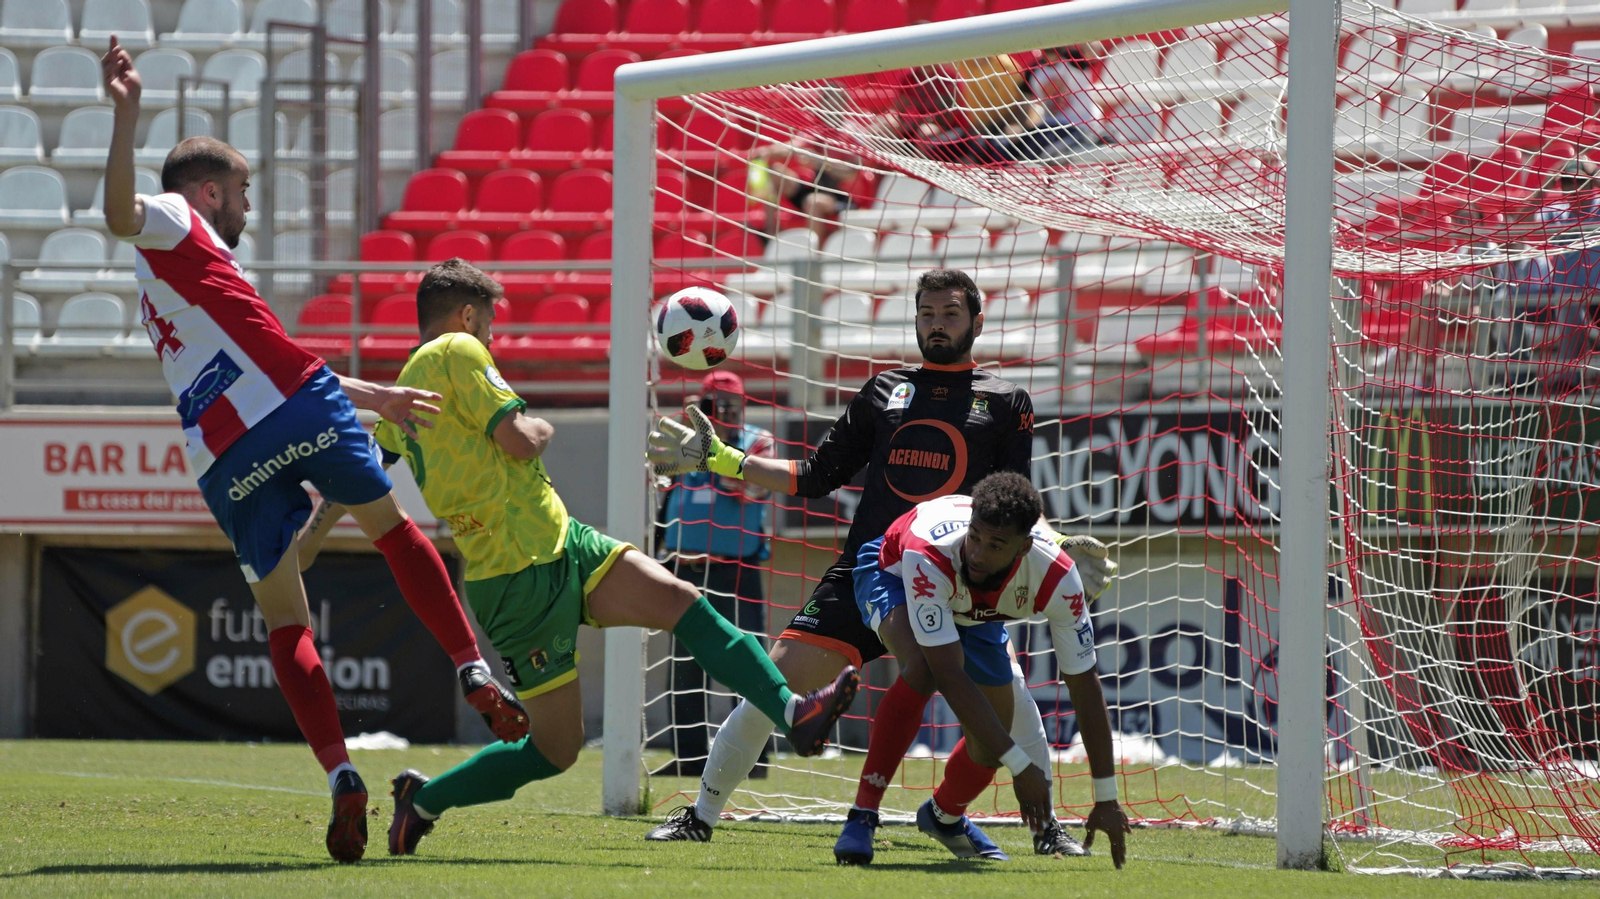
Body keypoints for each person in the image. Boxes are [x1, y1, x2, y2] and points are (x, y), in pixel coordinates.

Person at [98, 36, 525, 864]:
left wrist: (381, 396)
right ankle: (472, 667)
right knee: (396, 530)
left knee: (283, 614)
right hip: (297, 407)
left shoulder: (185, 278)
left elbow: (270, 350)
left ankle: (338, 774)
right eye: (246, 192)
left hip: (223, 454)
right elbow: (120, 215)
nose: (249, 208)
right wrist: (126, 116)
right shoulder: (180, 217)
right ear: (211, 189)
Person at [294, 259, 858, 856]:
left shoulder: (403, 396)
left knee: (681, 601)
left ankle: (794, 713)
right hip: (516, 580)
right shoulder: (458, 349)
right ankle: (425, 801)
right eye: (488, 325)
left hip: (561, 541)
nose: (491, 339)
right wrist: (541, 429)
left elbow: (360, 473)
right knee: (555, 749)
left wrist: (309, 540)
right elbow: (519, 439)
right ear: (464, 317)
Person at [644, 269, 1116, 858]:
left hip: (958, 581)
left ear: (975, 320)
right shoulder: (881, 392)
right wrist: (722, 459)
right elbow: (816, 476)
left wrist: (1058, 545)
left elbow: (1014, 498)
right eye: (926, 314)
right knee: (774, 684)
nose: (936, 324)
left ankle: (1020, 825)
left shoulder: (1006, 401)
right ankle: (702, 815)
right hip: (869, 568)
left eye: (948, 313)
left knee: (1009, 711)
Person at [851, 474, 1131, 866]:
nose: (979, 554)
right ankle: (862, 814)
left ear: (1024, 548)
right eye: (975, 536)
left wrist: (1106, 797)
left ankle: (942, 817)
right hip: (894, 573)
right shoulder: (932, 553)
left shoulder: (1058, 578)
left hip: (974, 612)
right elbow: (949, 674)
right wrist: (1021, 766)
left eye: (996, 544)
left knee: (993, 732)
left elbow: (1084, 686)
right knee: (922, 668)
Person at [654, 370, 778, 778]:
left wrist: (710, 451)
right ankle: (688, 757)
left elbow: (755, 489)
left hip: (735, 569)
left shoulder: (757, 442)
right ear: (700, 407)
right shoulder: (680, 442)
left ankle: (754, 759)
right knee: (685, 663)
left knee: (747, 661)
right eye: (714, 404)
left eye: (730, 405)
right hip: (685, 567)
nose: (723, 411)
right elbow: (662, 488)